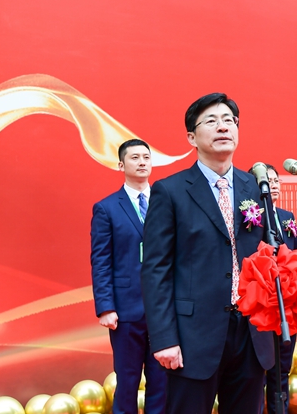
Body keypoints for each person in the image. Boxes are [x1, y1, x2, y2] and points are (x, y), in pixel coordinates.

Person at [141, 93, 274, 414]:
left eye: (229, 120)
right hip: (193, 336)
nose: (223, 127)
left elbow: (268, 257)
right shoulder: (170, 190)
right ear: (192, 137)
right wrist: (164, 338)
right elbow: (156, 269)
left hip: (251, 332)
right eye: (211, 121)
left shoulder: (255, 188)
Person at [90, 139, 166, 414]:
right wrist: (106, 307)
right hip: (125, 310)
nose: (142, 162)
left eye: (146, 157)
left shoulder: (167, 203)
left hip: (163, 309)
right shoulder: (107, 208)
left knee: (162, 381)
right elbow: (101, 261)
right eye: (135, 157)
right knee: (127, 380)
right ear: (121, 165)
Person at [258, 163, 297, 414]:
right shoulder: (250, 215)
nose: (273, 185)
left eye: (276, 181)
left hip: (288, 300)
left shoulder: (287, 216)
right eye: (268, 181)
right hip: (261, 301)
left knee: (283, 366)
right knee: (258, 366)